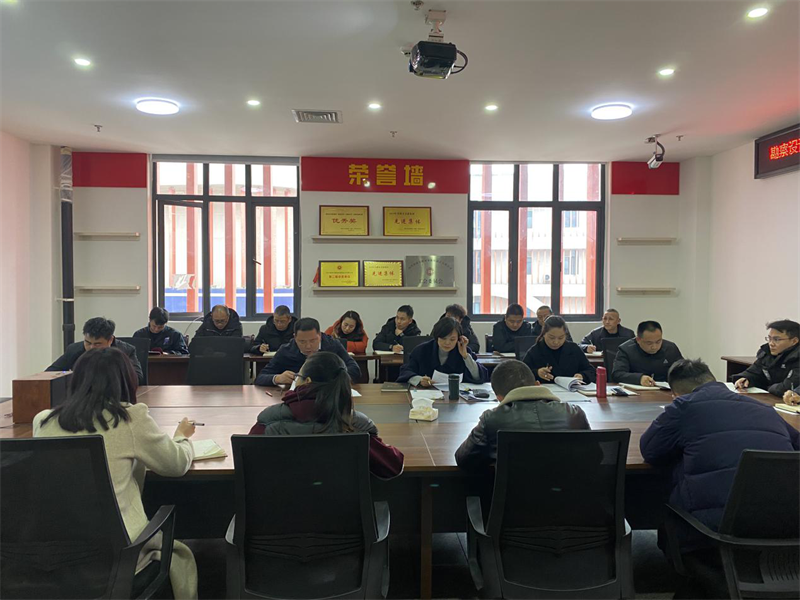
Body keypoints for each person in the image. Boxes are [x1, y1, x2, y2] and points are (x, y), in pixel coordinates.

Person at [34, 348, 200, 600]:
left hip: (53, 555)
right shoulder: (130, 419)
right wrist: (181, 437)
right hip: (119, 557)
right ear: (125, 381)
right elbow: (175, 465)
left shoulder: (43, 421)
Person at [640, 359, 800, 600]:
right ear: (713, 380)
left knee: (670, 495)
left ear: (675, 393)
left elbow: (651, 451)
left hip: (715, 535)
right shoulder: (764, 408)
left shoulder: (684, 406)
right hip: (785, 527)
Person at [248, 352, 404, 478]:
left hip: (279, 507)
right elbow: (393, 466)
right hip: (343, 508)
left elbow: (248, 463)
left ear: (307, 381)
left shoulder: (268, 423)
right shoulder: (354, 425)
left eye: (297, 377)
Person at [454, 360, 590, 471]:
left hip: (512, 497)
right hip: (570, 495)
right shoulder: (574, 413)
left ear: (498, 397)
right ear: (537, 385)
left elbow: (463, 460)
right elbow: (595, 456)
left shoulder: (492, 419)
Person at [254, 318, 361, 386]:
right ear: (295, 338)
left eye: (313, 340)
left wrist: (335, 379)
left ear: (320, 335)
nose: (308, 346)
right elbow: (260, 377)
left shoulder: (332, 345)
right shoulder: (286, 350)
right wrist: (278, 378)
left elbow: (355, 370)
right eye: (302, 341)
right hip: (298, 398)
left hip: (328, 396)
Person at [47, 317, 144, 385]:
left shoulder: (126, 350)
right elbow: (49, 373)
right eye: (88, 342)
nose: (91, 347)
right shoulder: (74, 350)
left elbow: (137, 378)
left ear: (110, 340)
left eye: (97, 344)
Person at [397, 317, 487, 387]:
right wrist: (419, 380)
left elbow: (478, 376)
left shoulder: (464, 351)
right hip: (427, 396)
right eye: (443, 338)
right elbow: (406, 371)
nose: (447, 343)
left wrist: (465, 356)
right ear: (437, 337)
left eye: (452, 339)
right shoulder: (422, 350)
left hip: (456, 397)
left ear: (458, 339)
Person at [733, 319, 800, 397]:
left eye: (776, 339)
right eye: (769, 338)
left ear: (794, 341)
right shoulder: (766, 353)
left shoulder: (797, 358)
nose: (771, 343)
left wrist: (767, 388)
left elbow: (786, 389)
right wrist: (746, 378)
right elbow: (753, 372)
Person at [522, 315, 595, 383]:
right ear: (544, 334)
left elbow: (591, 371)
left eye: (561, 338)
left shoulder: (574, 349)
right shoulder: (535, 351)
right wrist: (537, 372)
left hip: (571, 391)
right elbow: (522, 374)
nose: (556, 342)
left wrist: (582, 376)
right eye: (551, 337)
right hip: (545, 391)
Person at [611, 321, 683, 386]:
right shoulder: (626, 349)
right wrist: (639, 378)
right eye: (649, 343)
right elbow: (617, 374)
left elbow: (683, 370)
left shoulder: (670, 348)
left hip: (665, 391)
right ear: (638, 340)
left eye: (658, 342)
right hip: (637, 393)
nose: (654, 347)